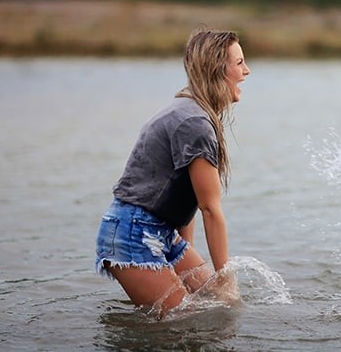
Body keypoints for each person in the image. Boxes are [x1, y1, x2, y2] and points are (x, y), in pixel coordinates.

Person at [95, 27, 249, 316]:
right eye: (239, 63)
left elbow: (186, 197)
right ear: (218, 69)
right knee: (188, 320)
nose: (247, 71)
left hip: (161, 232)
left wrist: (183, 260)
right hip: (133, 233)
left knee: (222, 305)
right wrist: (225, 276)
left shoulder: (193, 111)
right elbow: (210, 208)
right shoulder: (195, 123)